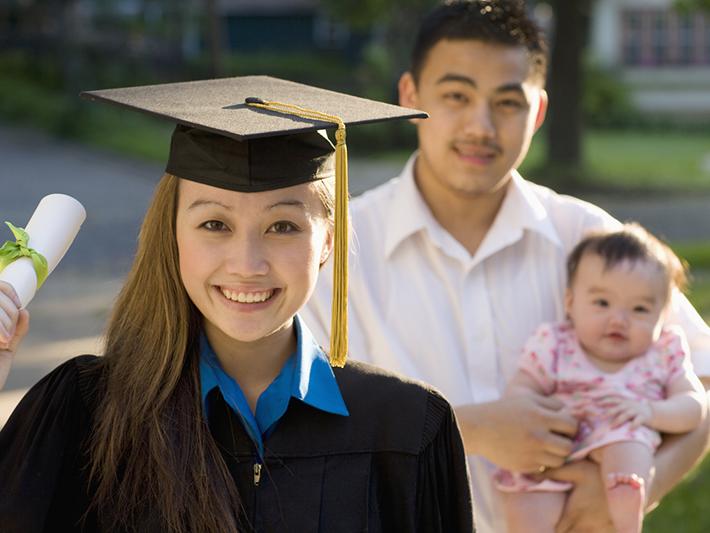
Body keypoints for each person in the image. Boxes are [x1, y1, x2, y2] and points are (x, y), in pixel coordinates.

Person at [301, 2, 710, 532]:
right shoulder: (336, 249)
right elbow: (294, 425)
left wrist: (640, 482)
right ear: (410, 96)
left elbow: (700, 377)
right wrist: (461, 430)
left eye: (508, 102)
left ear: (539, 111)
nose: (481, 125)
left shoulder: (588, 236)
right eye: (456, 96)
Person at [0, 77, 474, 532]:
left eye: (283, 226)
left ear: (328, 241)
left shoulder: (406, 428)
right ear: (174, 234)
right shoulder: (86, 413)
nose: (247, 265)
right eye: (214, 225)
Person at [493, 224, 705, 533]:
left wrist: (651, 413)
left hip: (621, 431)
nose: (619, 319)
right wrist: (537, 411)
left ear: (663, 314)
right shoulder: (555, 343)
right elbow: (522, 388)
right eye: (602, 303)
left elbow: (694, 405)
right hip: (556, 444)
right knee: (527, 500)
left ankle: (626, 520)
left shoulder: (664, 352)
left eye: (640, 308)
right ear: (570, 304)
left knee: (630, 449)